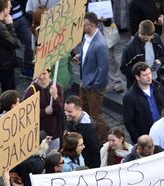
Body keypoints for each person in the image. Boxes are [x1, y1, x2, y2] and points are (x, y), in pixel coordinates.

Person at [73, 12, 110, 143]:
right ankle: (90, 134)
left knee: (96, 115)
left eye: (84, 25)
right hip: (85, 82)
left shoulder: (100, 44)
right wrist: (80, 57)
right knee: (84, 110)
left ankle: (102, 139)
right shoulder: (87, 37)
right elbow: (85, 53)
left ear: (93, 25)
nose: (82, 27)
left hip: (93, 86)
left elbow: (103, 68)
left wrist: (96, 85)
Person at [123, 62, 164, 144]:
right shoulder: (130, 97)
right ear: (137, 77)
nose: (149, 77)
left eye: (149, 73)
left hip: (163, 131)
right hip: (146, 136)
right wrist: (139, 138)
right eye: (145, 75)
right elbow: (128, 122)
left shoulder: (158, 87)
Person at [24, 68, 64, 151]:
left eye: (44, 73)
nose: (42, 77)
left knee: (53, 160)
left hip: (54, 134)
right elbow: (27, 115)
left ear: (49, 73)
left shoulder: (57, 87)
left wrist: (55, 96)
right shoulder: (31, 90)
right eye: (39, 74)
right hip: (38, 136)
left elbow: (61, 112)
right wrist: (44, 112)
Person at [63, 96, 102, 168]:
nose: (66, 114)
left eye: (70, 111)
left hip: (83, 165)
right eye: (65, 110)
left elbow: (95, 151)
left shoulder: (89, 128)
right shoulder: (70, 119)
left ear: (79, 110)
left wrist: (92, 170)